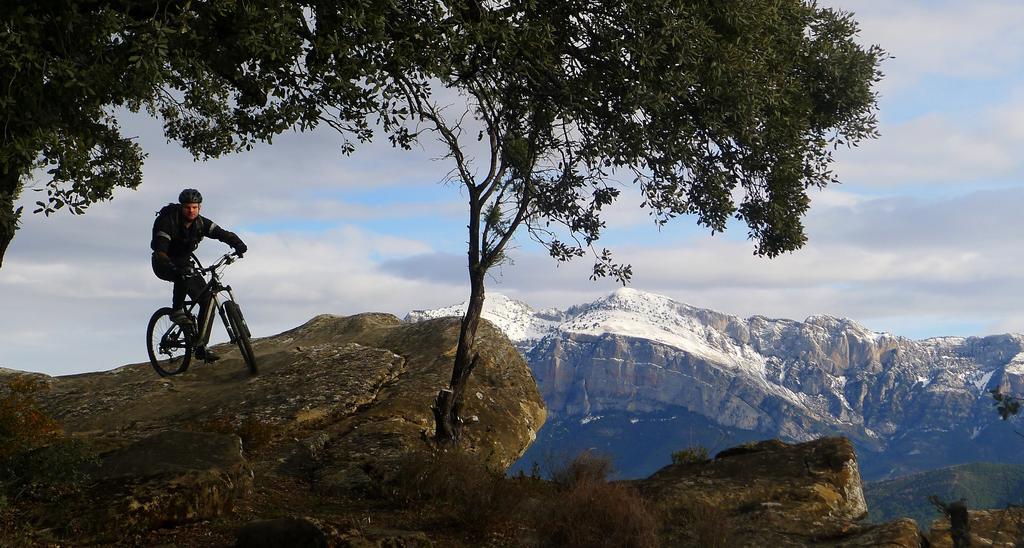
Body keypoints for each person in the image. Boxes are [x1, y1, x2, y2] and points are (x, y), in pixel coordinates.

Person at [151, 189, 247, 362]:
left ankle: (201, 346)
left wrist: (237, 243)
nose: (191, 211)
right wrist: (171, 266)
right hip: (162, 262)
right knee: (181, 276)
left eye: (194, 207)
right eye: (188, 207)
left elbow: (221, 234)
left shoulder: (201, 223)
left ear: (199, 208)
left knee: (207, 300)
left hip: (185, 263)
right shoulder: (167, 222)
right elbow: (160, 249)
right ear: (182, 207)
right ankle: (177, 311)